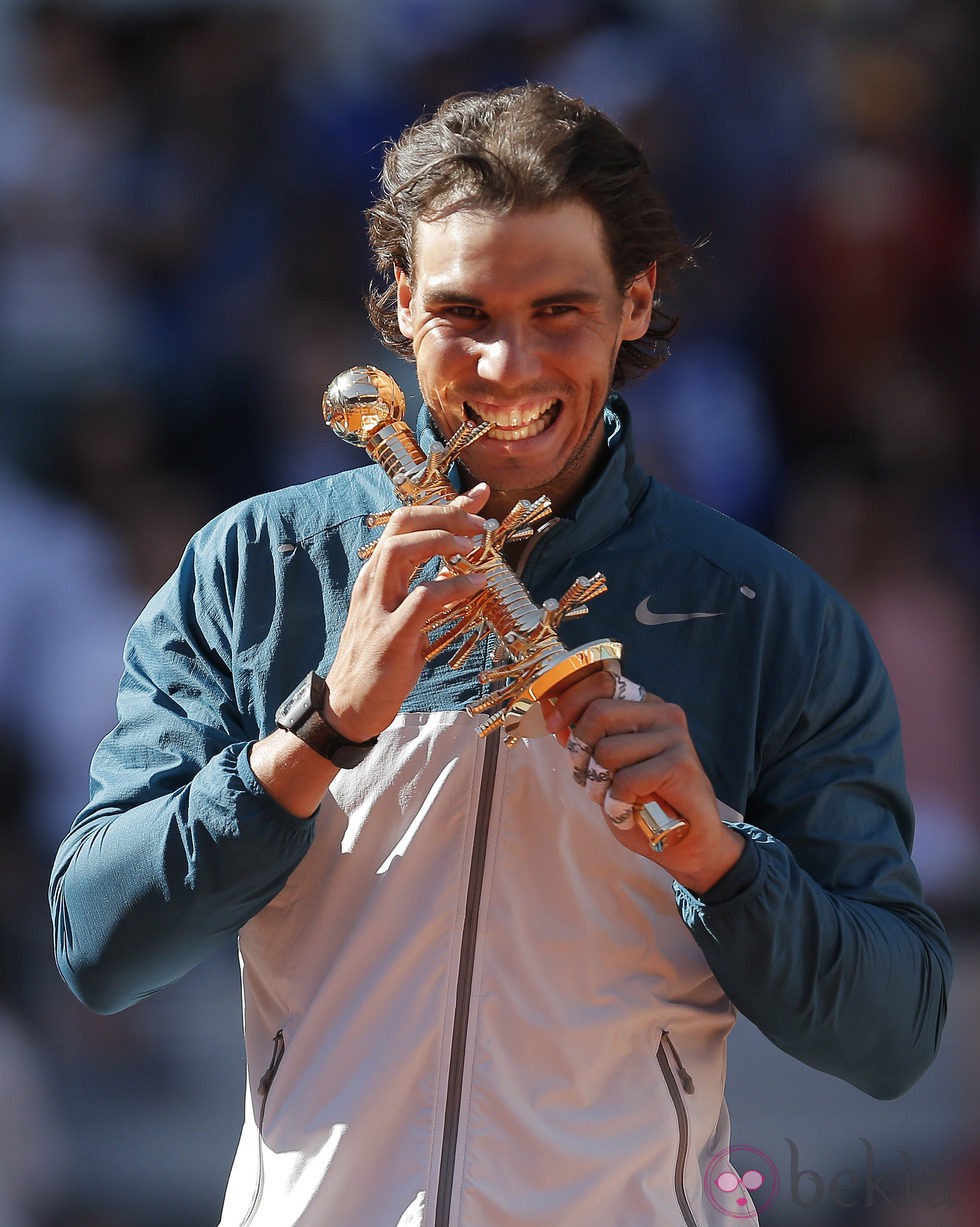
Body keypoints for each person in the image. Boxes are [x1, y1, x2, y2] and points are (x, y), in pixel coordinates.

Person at [49, 85, 951, 1227]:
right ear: (398, 307)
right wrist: (319, 728)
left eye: (558, 311)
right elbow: (98, 944)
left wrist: (721, 858)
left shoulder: (768, 614)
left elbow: (892, 1035)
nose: (505, 368)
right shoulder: (257, 566)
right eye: (462, 311)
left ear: (636, 302)